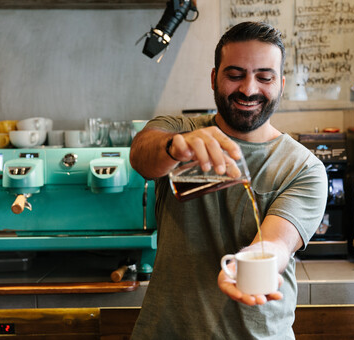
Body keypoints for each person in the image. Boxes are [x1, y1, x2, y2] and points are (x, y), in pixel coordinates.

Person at [129, 21, 328, 339]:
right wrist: (174, 147)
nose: (249, 89)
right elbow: (142, 156)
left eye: (264, 77)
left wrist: (247, 264)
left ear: (281, 84)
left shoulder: (303, 167)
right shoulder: (179, 128)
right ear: (214, 78)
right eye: (235, 75)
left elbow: (277, 242)